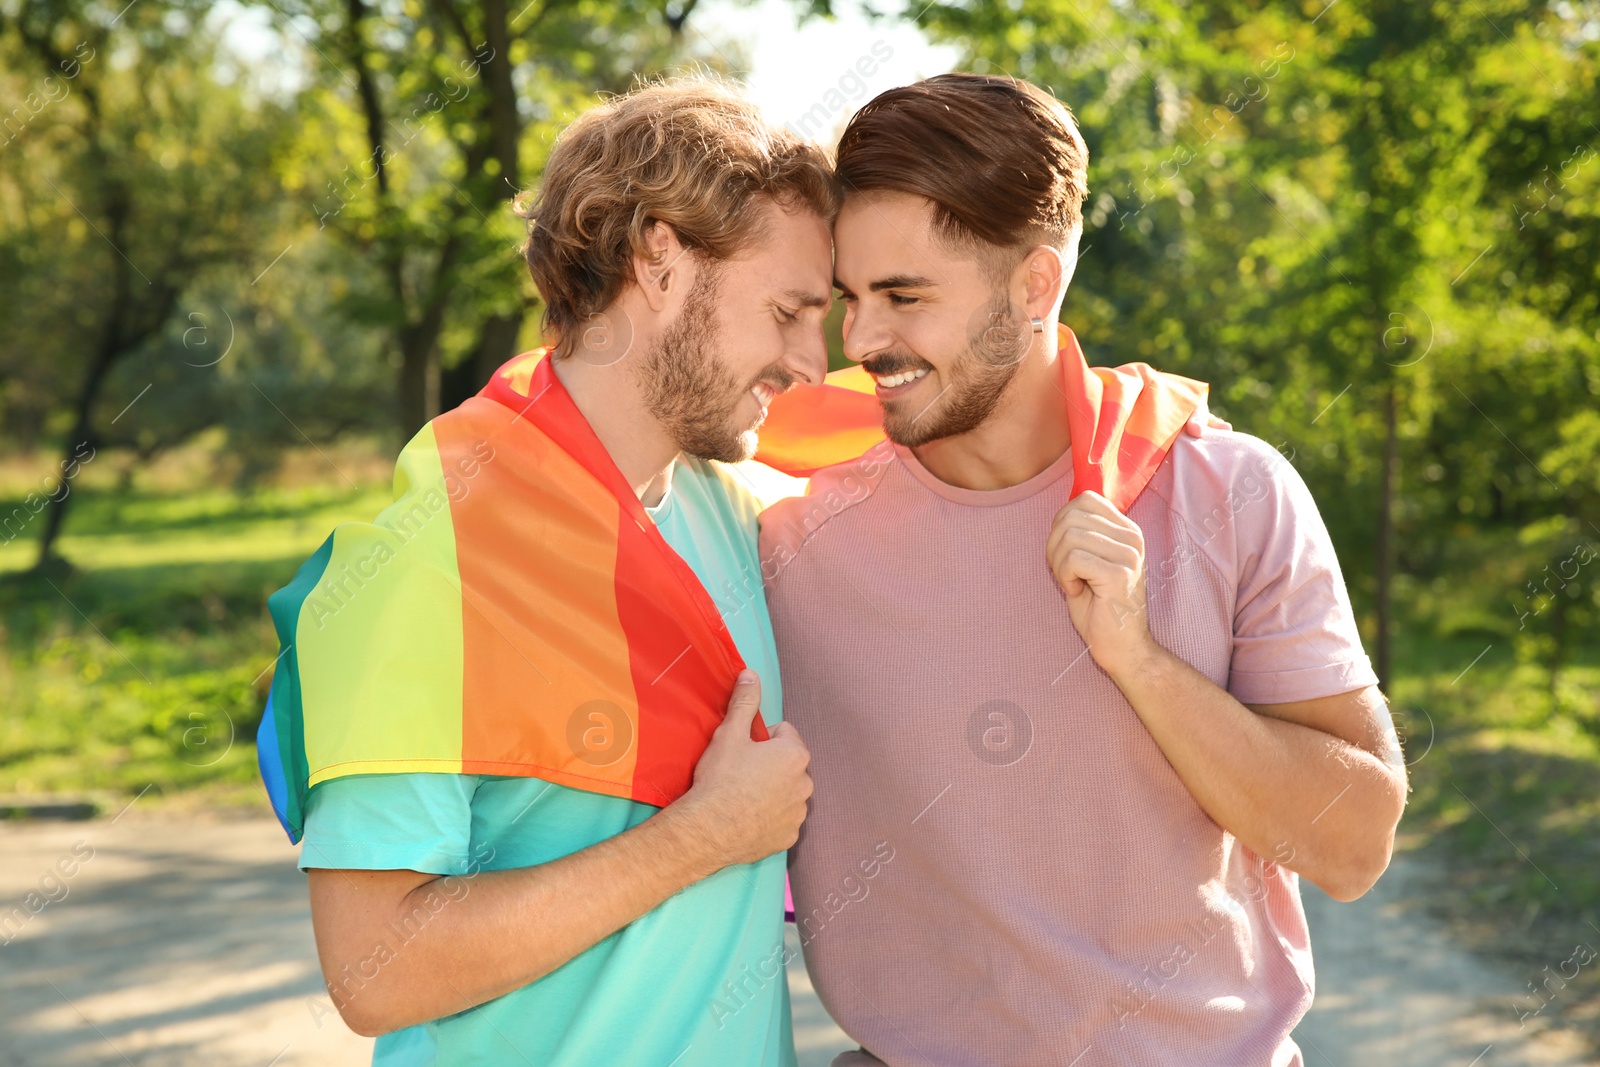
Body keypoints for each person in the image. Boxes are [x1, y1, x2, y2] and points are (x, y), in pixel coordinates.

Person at [759, 73, 1409, 1066]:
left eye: (904, 296)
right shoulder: (788, 544)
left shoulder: (1227, 492)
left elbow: (1353, 843)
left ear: (1034, 284)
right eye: (848, 297)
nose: (861, 340)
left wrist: (1138, 661)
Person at [257, 75, 836, 1066]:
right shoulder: (428, 560)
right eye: (787, 310)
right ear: (660, 260)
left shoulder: (732, 511)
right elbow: (374, 969)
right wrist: (700, 837)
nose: (814, 362)